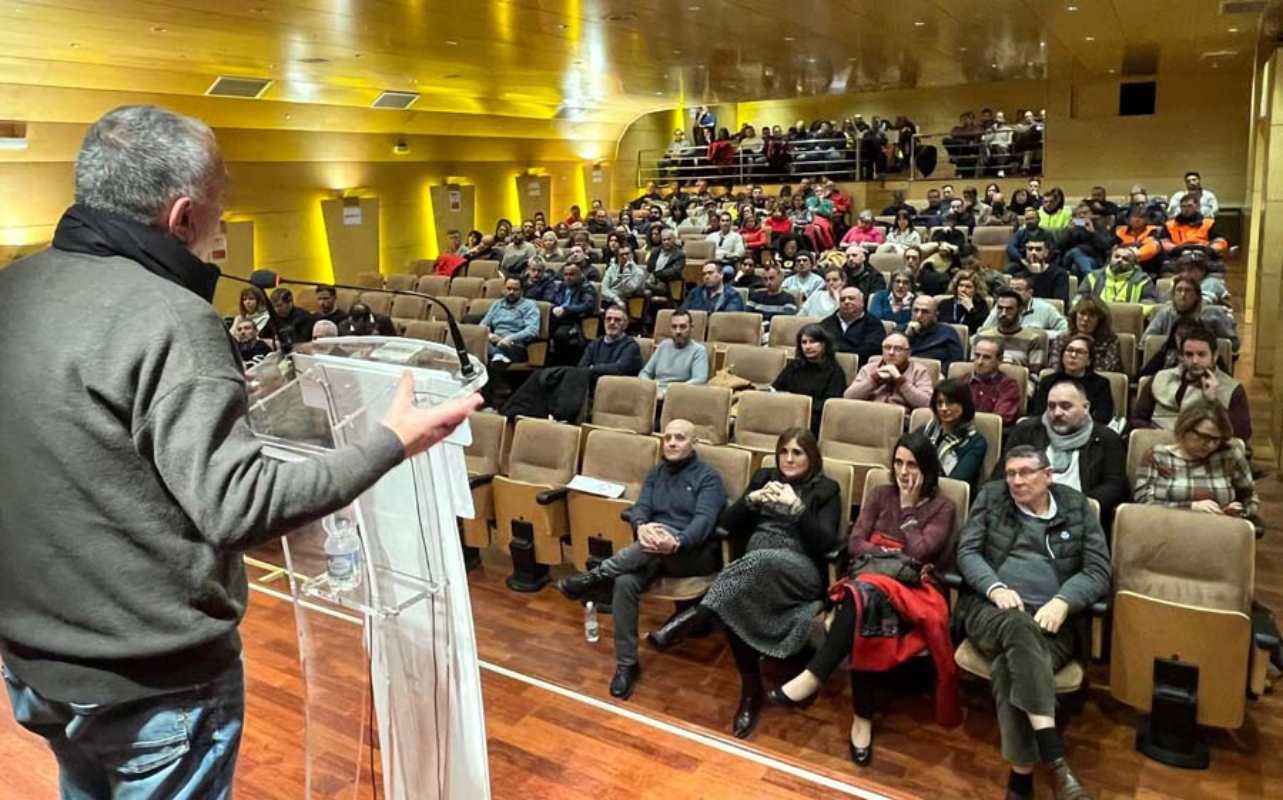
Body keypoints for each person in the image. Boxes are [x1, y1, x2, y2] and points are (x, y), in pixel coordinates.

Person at [0, 105, 481, 798]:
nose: (224, 228)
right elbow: (239, 508)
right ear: (183, 216)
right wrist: (391, 442)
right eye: (222, 206)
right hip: (151, 682)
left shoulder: (12, 288)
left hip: (36, 663)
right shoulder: (171, 319)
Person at [771, 433, 959, 766]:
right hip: (870, 581)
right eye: (898, 463)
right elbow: (855, 543)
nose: (903, 472)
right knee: (864, 602)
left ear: (928, 469)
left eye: (912, 464)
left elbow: (920, 553)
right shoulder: (878, 494)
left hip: (915, 590)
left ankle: (821, 684)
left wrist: (908, 507)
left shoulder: (943, 506)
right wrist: (888, 551)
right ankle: (860, 717)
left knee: (859, 602)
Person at [646, 430, 841, 738]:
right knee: (735, 597)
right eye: (784, 452)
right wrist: (750, 501)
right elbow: (725, 526)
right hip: (753, 568)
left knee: (757, 562)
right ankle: (751, 690)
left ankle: (697, 615)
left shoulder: (827, 489)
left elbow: (827, 544)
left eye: (797, 453)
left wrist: (797, 510)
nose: (789, 459)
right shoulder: (764, 477)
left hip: (799, 569)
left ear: (811, 457)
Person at [955, 445, 1109, 800]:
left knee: (1009, 667)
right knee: (1016, 625)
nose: (1016, 481)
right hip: (989, 613)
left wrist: (1063, 601)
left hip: (1054, 624)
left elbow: (1098, 570)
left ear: (1048, 475)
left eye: (1026, 472)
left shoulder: (1076, 507)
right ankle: (1055, 759)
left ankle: (1021, 778)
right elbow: (967, 551)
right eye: (1011, 474)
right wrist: (994, 588)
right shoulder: (992, 499)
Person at [556, 419, 727, 700]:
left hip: (692, 554)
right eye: (668, 437)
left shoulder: (708, 478)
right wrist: (642, 526)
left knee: (661, 535)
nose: (671, 442)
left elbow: (704, 522)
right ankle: (627, 664)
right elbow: (640, 509)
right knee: (625, 582)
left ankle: (596, 577)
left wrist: (677, 541)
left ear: (693, 443)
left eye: (680, 438)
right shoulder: (656, 474)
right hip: (650, 552)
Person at [1001, 380, 1129, 527]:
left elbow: (1115, 486)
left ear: (1086, 407)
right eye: (1051, 406)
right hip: (1024, 515)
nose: (1057, 413)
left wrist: (1072, 505)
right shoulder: (1026, 432)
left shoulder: (1107, 439)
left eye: (1066, 406)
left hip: (1079, 520)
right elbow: (1001, 475)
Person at [1136, 401, 1259, 520]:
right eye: (1204, 437)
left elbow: (1250, 497)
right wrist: (1190, 508)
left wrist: (1241, 510)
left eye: (1216, 439)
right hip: (1167, 528)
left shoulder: (1229, 455)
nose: (1210, 445)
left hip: (1219, 529)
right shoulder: (1157, 455)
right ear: (1185, 428)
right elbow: (1143, 503)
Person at [1131, 326, 1251, 441]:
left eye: (1201, 354)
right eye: (1189, 354)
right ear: (1181, 357)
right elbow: (1138, 418)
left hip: (1204, 450)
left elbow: (1240, 435)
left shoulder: (1232, 390)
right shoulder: (1160, 378)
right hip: (1157, 443)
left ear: (1214, 357)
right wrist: (1159, 437)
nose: (1195, 361)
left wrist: (1213, 402)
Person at [772, 324, 848, 433]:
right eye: (804, 342)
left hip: (813, 420)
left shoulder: (835, 372)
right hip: (786, 412)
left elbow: (829, 405)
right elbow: (776, 389)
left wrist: (800, 404)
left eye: (812, 342)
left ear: (824, 344)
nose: (807, 347)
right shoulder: (794, 365)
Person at [1028, 334, 1115, 425]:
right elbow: (1038, 414)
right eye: (1070, 350)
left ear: (1089, 360)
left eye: (1080, 352)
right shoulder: (1048, 381)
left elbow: (1102, 417)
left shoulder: (1101, 384)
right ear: (1062, 356)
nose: (1073, 355)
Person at [919, 379, 988, 493]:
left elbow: (957, 481)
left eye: (950, 402)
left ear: (964, 404)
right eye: (939, 403)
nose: (944, 408)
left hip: (947, 495)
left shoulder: (975, 442)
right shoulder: (926, 431)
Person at [1142, 275, 1238, 357]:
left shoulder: (1214, 315)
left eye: (1188, 291)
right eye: (1179, 290)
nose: (1183, 295)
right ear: (1173, 295)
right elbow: (1145, 342)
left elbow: (1232, 346)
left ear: (1197, 296)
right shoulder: (1165, 314)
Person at [844, 333, 933, 412]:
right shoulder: (869, 368)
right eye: (887, 348)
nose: (891, 352)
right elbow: (848, 397)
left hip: (901, 424)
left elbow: (927, 403)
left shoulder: (919, 371)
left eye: (898, 349)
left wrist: (900, 381)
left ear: (908, 353)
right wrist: (875, 380)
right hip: (868, 418)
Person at [974, 290, 1049, 374]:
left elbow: (1035, 375)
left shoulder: (1033, 339)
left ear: (1020, 310)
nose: (1003, 313)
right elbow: (974, 368)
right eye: (1000, 308)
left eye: (1009, 309)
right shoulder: (982, 336)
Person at [639, 309, 710, 398]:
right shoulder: (663, 346)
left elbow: (699, 380)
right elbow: (645, 373)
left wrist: (668, 392)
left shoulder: (699, 350)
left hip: (679, 397)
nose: (678, 331)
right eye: (674, 327)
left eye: (683, 327)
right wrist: (652, 387)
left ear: (691, 328)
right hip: (655, 393)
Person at [1048, 295, 1123, 375]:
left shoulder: (1110, 341)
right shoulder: (1062, 338)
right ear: (1075, 315)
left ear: (1100, 320)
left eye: (1092, 315)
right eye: (1082, 313)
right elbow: (1054, 365)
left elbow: (1109, 369)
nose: (1085, 319)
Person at [479, 276, 541, 364]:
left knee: (497, 350)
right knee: (475, 343)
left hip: (515, 345)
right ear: (503, 289)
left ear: (521, 291)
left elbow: (532, 330)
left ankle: (496, 355)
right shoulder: (497, 304)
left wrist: (509, 338)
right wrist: (489, 335)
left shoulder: (529, 305)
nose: (511, 292)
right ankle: (497, 355)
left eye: (515, 289)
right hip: (495, 342)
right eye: (509, 288)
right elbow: (482, 325)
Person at [981, 274, 1068, 335]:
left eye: (1018, 289)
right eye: (1011, 289)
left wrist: (1041, 334)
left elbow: (1066, 331)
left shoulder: (1046, 308)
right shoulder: (1002, 307)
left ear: (1029, 293)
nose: (1013, 293)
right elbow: (984, 330)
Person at [547, 263, 598, 364]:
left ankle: (560, 364)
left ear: (580, 275)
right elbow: (549, 300)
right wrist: (553, 308)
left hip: (573, 321)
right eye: (566, 274)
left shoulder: (587, 288)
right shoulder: (560, 286)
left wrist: (566, 309)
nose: (568, 277)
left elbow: (587, 306)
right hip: (556, 319)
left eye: (571, 274)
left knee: (560, 335)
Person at [820, 286, 888, 362]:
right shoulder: (827, 323)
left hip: (861, 367)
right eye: (842, 299)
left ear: (862, 302)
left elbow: (871, 350)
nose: (846, 302)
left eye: (851, 298)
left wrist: (838, 349)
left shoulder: (873, 324)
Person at [578, 304, 643, 381]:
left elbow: (619, 369)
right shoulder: (594, 344)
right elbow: (581, 369)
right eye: (608, 319)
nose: (612, 322)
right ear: (604, 322)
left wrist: (592, 368)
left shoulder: (631, 346)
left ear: (625, 325)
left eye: (617, 320)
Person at [968, 337, 1022, 427]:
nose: (979, 362)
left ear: (999, 360)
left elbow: (999, 419)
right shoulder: (962, 381)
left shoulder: (1008, 386)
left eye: (986, 357)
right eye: (977, 355)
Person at [1077, 246, 1157, 306]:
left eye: (1125, 259)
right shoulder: (1093, 277)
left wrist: (1131, 312)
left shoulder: (1143, 280)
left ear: (1133, 264)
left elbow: (1150, 302)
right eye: (1117, 257)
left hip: (1129, 322)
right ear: (1110, 259)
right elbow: (1079, 298)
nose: (1119, 260)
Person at [905, 295, 963, 372]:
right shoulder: (901, 331)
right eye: (916, 310)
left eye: (925, 312)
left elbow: (957, 363)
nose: (919, 316)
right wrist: (906, 337)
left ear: (936, 314)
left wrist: (941, 372)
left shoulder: (947, 332)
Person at [1162, 193, 1229, 260]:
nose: (1186, 209)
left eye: (1190, 206)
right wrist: (1177, 249)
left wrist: (1209, 249)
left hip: (1204, 256)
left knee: (1219, 268)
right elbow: (1164, 242)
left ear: (1197, 207)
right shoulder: (1169, 225)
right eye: (1183, 206)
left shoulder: (1209, 223)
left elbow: (1221, 241)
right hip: (1178, 257)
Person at [1006, 238, 1069, 307]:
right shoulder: (1017, 273)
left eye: (1038, 249)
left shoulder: (1059, 274)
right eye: (1030, 249)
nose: (1033, 253)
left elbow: (1059, 304)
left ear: (1046, 252)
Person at [1059, 203, 1112, 278]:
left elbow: (1107, 246)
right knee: (1076, 251)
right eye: (1079, 214)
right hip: (1069, 257)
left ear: (1091, 214)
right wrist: (1069, 231)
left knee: (1076, 268)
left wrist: (1092, 232)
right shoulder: (1071, 228)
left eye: (1085, 213)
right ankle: (1091, 281)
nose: (1082, 216)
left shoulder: (1099, 227)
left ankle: (1087, 282)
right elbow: (1060, 246)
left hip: (1092, 259)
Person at [1114, 205, 1164, 277]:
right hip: (1121, 265)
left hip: (1147, 267)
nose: (1137, 219)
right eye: (1134, 216)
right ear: (1128, 219)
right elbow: (1113, 248)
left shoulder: (1153, 231)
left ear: (1147, 220)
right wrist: (1136, 245)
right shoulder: (1119, 232)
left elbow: (1151, 248)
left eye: (1141, 217)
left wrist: (1128, 250)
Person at [682, 260, 747, 313]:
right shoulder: (695, 293)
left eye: (710, 273)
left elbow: (729, 320)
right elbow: (682, 314)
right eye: (704, 274)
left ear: (721, 274)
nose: (706, 277)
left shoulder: (732, 295)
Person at [938, 269, 990, 334]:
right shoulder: (944, 304)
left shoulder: (981, 305)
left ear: (976, 289)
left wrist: (971, 310)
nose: (963, 290)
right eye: (960, 285)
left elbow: (981, 331)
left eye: (968, 287)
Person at [646, 228, 686, 297]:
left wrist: (656, 275)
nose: (666, 242)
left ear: (674, 239)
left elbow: (674, 271)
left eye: (669, 239)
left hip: (667, 283)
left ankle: (645, 285)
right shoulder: (655, 251)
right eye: (664, 240)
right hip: (652, 280)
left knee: (644, 286)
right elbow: (649, 268)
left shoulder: (679, 254)